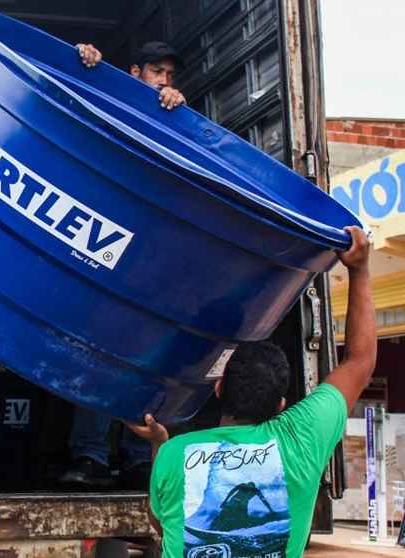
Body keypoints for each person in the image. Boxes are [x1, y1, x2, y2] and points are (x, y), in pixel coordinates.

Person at [127, 226, 375, 558]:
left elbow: (166, 524)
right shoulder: (301, 439)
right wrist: (358, 270)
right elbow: (360, 361)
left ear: (218, 389)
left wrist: (160, 443)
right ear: (281, 405)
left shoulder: (175, 454)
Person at [59, 40, 187, 490]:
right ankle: (91, 455)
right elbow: (77, 95)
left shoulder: (175, 117)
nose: (164, 81)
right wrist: (88, 60)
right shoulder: (112, 91)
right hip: (104, 249)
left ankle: (137, 457)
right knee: (97, 354)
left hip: (151, 264)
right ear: (135, 72)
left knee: (144, 361)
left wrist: (177, 112)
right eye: (157, 72)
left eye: (171, 75)